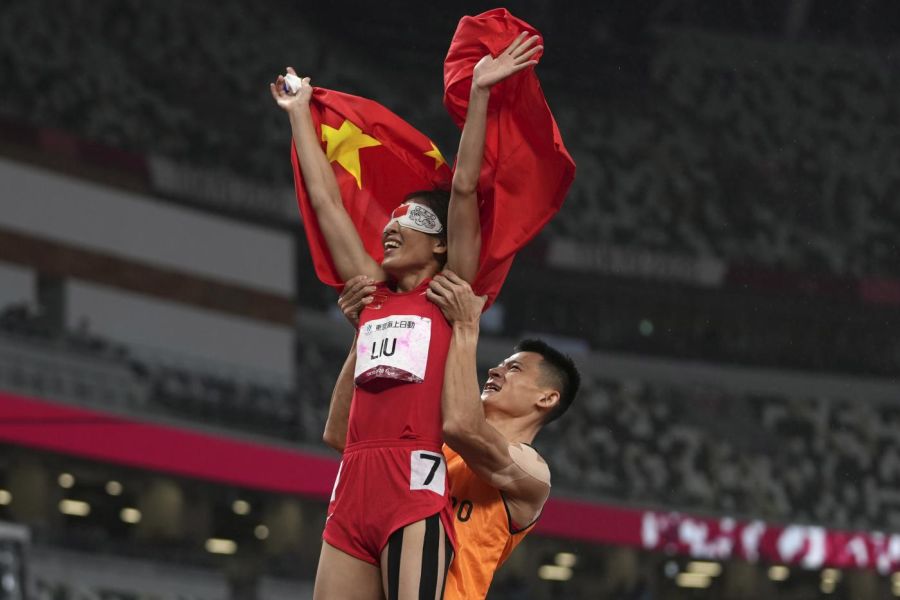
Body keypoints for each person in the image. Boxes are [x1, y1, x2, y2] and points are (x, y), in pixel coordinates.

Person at [270, 34, 542, 600]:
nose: (391, 225)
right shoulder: (369, 298)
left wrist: (480, 93)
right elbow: (325, 202)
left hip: (412, 484)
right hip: (352, 486)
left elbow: (463, 188)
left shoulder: (450, 291)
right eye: (390, 217)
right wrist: (298, 115)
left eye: (411, 217)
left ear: (442, 244)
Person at [330, 273, 581, 600]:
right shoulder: (435, 439)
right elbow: (341, 436)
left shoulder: (532, 475)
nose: (494, 370)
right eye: (502, 365)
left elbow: (464, 427)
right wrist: (366, 336)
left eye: (514, 369)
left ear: (546, 398)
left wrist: (466, 325)